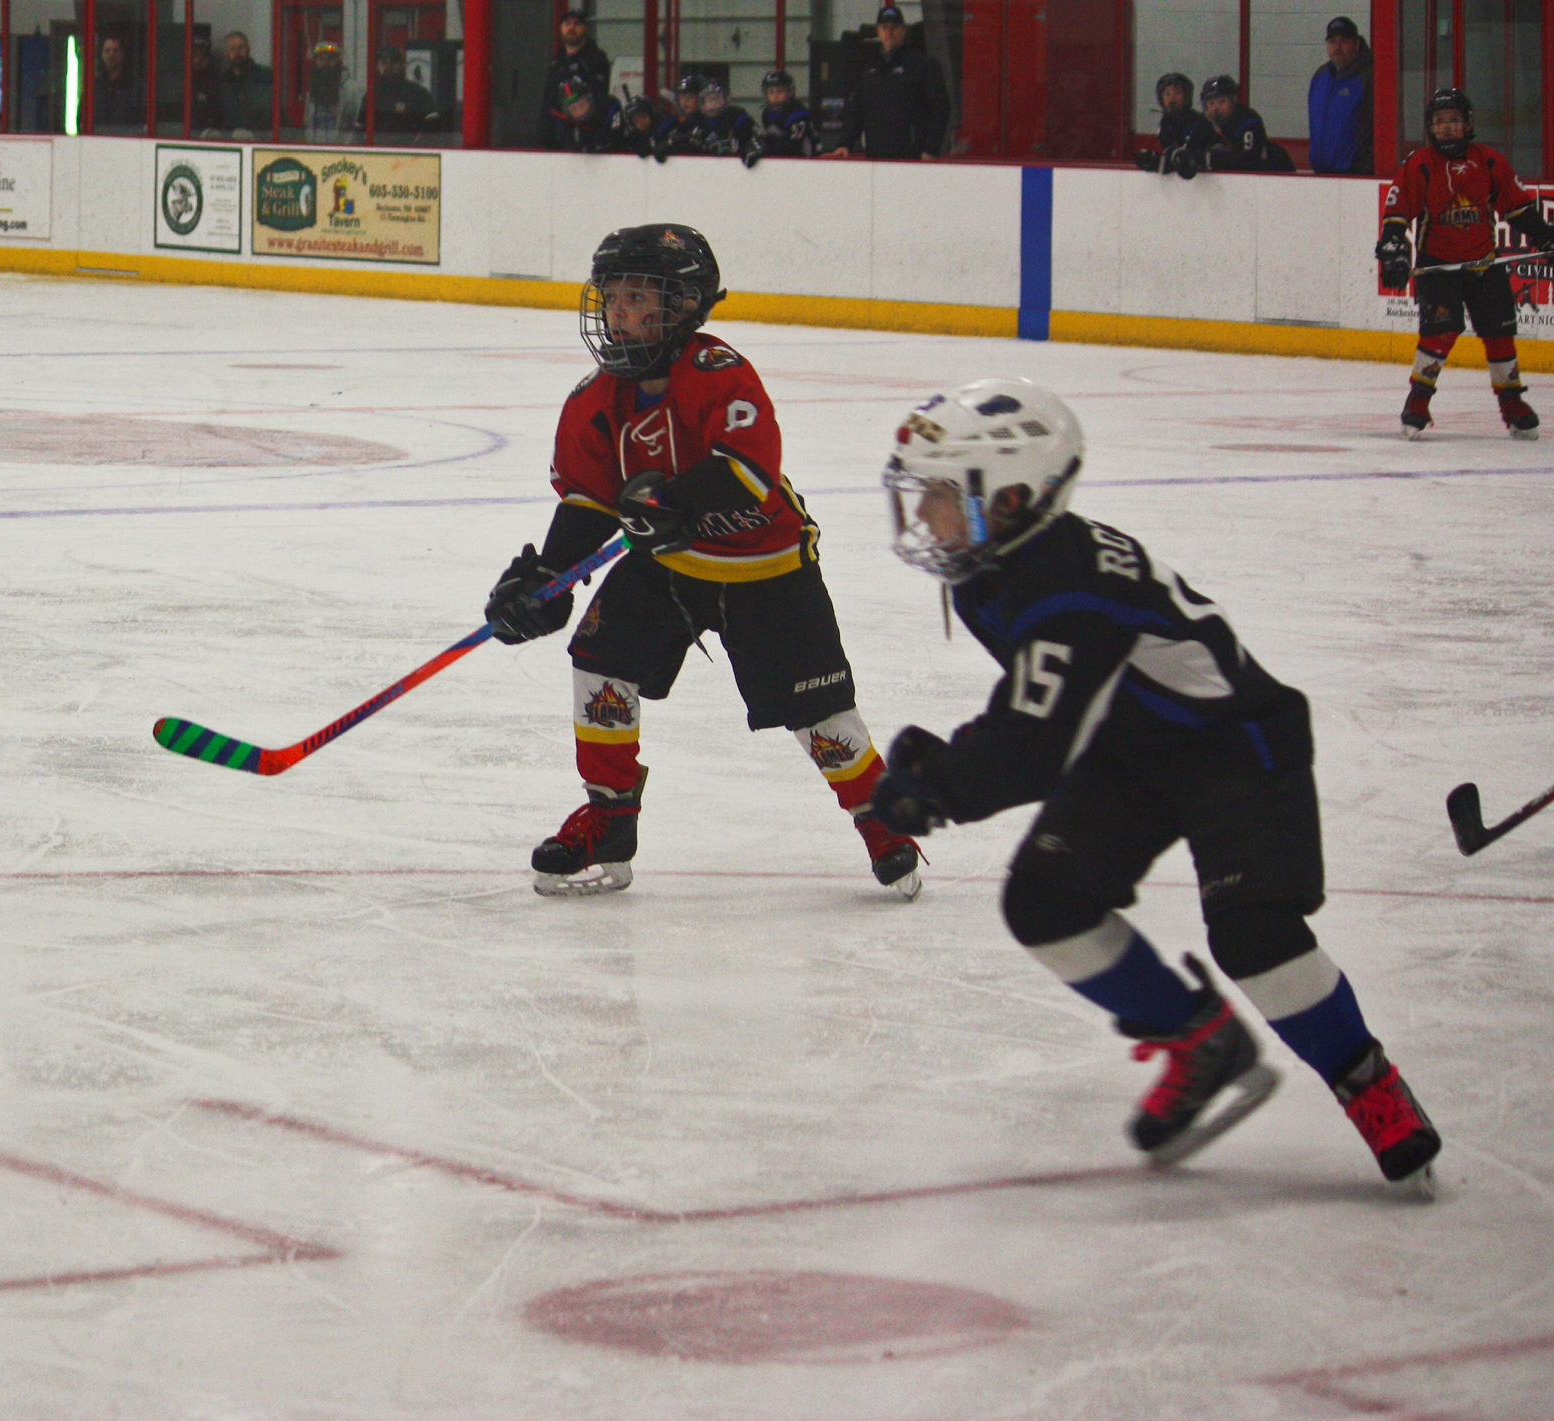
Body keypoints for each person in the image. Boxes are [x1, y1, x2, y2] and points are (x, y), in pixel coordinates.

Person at [867, 377, 1441, 1190]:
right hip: (1131, 752)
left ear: (1015, 493)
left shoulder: (1064, 584)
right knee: (1045, 902)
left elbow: (1037, 746)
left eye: (941, 494)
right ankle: (1201, 1038)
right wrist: (954, 763)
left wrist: (942, 786)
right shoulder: (1001, 565)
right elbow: (1043, 702)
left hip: (1236, 746)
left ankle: (1366, 1080)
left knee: (1255, 934)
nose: (924, 513)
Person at [484, 225, 924, 899]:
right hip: (671, 565)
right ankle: (610, 818)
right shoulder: (594, 399)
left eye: (638, 299)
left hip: (766, 567)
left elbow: (748, 471)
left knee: (822, 715)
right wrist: (547, 575)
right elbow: (589, 499)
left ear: (684, 305)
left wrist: (672, 500)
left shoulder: (719, 372)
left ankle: (881, 818)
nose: (618, 314)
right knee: (600, 661)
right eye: (612, 297)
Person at [1378, 87, 1554, 439]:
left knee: (1500, 334)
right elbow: (1397, 214)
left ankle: (1511, 402)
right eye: (1440, 121)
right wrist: (1394, 249)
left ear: (1468, 124)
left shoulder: (1488, 161)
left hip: (1484, 265)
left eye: (1454, 120)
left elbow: (1516, 206)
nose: (1447, 127)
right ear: (1430, 127)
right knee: (1438, 334)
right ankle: (1418, 400)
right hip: (1438, 265)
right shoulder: (1419, 164)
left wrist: (1544, 235)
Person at [824, 6, 947, 161]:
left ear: (903, 30)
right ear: (878, 31)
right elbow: (857, 109)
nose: (889, 32)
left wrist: (931, 148)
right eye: (884, 27)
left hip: (912, 156)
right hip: (876, 156)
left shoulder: (923, 65)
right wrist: (845, 143)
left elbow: (939, 108)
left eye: (894, 27)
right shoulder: (870, 67)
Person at [1175, 75, 1293, 174]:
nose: (1216, 108)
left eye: (1222, 101)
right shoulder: (1205, 121)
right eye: (1211, 103)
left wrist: (1207, 159)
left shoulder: (1248, 120)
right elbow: (1190, 150)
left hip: (1275, 172)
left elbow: (1248, 159)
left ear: (1233, 99)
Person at [1307, 16, 1373, 175]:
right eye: (1332, 41)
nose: (1337, 47)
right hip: (1322, 174)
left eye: (1343, 41)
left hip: (1358, 176)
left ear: (1356, 44)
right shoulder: (1320, 76)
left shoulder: (1369, 77)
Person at [539, 9, 612, 149]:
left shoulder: (596, 59)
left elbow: (598, 98)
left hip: (586, 138)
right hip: (556, 138)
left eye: (577, 23)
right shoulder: (557, 61)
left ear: (585, 28)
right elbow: (549, 100)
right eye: (567, 24)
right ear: (561, 28)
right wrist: (544, 133)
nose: (571, 28)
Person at [1132, 73, 1210, 178]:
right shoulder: (1165, 122)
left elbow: (1190, 158)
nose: (1172, 99)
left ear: (1186, 96)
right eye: (1167, 94)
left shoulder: (1198, 121)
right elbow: (1169, 150)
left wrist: (1166, 162)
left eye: (1177, 93)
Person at [742, 68, 816, 166]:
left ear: (790, 92)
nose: (775, 96)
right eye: (771, 92)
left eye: (780, 91)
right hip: (784, 164)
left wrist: (765, 146)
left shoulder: (799, 113)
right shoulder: (766, 113)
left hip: (808, 163)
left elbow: (794, 147)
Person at [666, 75, 751, 156]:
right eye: (709, 100)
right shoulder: (692, 120)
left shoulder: (737, 117)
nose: (713, 104)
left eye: (716, 99)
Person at [365, 47, 441, 135]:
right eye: (383, 63)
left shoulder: (420, 94)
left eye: (393, 62)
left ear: (402, 65)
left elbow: (433, 131)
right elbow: (360, 132)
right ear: (377, 66)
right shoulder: (370, 96)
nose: (388, 67)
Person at [214, 31, 274, 137]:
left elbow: (269, 111)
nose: (237, 52)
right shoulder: (221, 81)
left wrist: (255, 134)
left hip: (258, 138)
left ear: (248, 48)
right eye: (232, 49)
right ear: (226, 53)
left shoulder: (265, 76)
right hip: (228, 139)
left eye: (241, 47)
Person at [300, 41, 359, 143]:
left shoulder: (351, 88)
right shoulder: (312, 90)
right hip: (314, 148)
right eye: (321, 59)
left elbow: (354, 125)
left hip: (342, 149)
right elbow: (307, 123)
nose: (325, 63)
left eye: (331, 59)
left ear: (338, 61)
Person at [90, 34, 145, 133]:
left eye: (115, 51)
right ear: (102, 55)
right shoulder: (94, 86)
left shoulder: (133, 86)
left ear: (122, 55)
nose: (111, 55)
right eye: (107, 51)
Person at [546, 79, 617, 154]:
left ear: (590, 100)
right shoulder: (564, 122)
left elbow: (616, 138)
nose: (580, 111)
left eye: (582, 105)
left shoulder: (608, 107)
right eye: (573, 108)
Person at [614, 95, 672, 161]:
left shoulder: (663, 127)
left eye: (644, 117)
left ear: (651, 114)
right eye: (636, 120)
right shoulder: (633, 137)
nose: (641, 122)